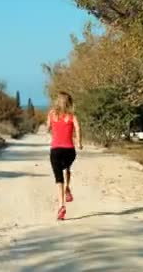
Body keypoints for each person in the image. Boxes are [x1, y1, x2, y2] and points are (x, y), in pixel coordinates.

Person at [46, 91, 82, 220]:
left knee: (58, 179)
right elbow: (78, 128)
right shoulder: (72, 116)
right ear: (69, 103)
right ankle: (68, 188)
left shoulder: (51, 114)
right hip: (69, 151)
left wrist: (51, 129)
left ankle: (61, 206)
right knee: (67, 168)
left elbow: (48, 127)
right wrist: (79, 142)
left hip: (55, 150)